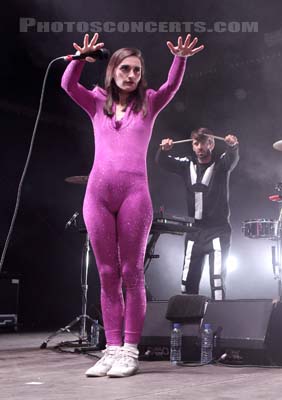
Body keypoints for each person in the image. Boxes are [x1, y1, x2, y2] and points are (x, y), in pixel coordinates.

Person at [61, 33, 203, 377]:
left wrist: (180, 59)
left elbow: (170, 86)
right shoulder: (96, 102)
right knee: (107, 274)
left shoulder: (150, 103)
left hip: (134, 195)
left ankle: (129, 350)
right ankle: (110, 349)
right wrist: (80, 57)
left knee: (131, 273)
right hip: (97, 194)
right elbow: (68, 85)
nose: (131, 75)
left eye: (137, 71)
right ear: (112, 70)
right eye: (125, 68)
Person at [156, 128, 239, 299]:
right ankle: (188, 324)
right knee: (187, 284)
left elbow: (232, 158)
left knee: (217, 282)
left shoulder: (221, 164)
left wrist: (233, 146)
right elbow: (162, 162)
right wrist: (163, 151)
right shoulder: (187, 164)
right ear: (193, 146)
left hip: (218, 231)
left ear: (211, 144)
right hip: (194, 232)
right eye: (196, 143)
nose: (200, 147)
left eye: (203, 142)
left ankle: (219, 320)